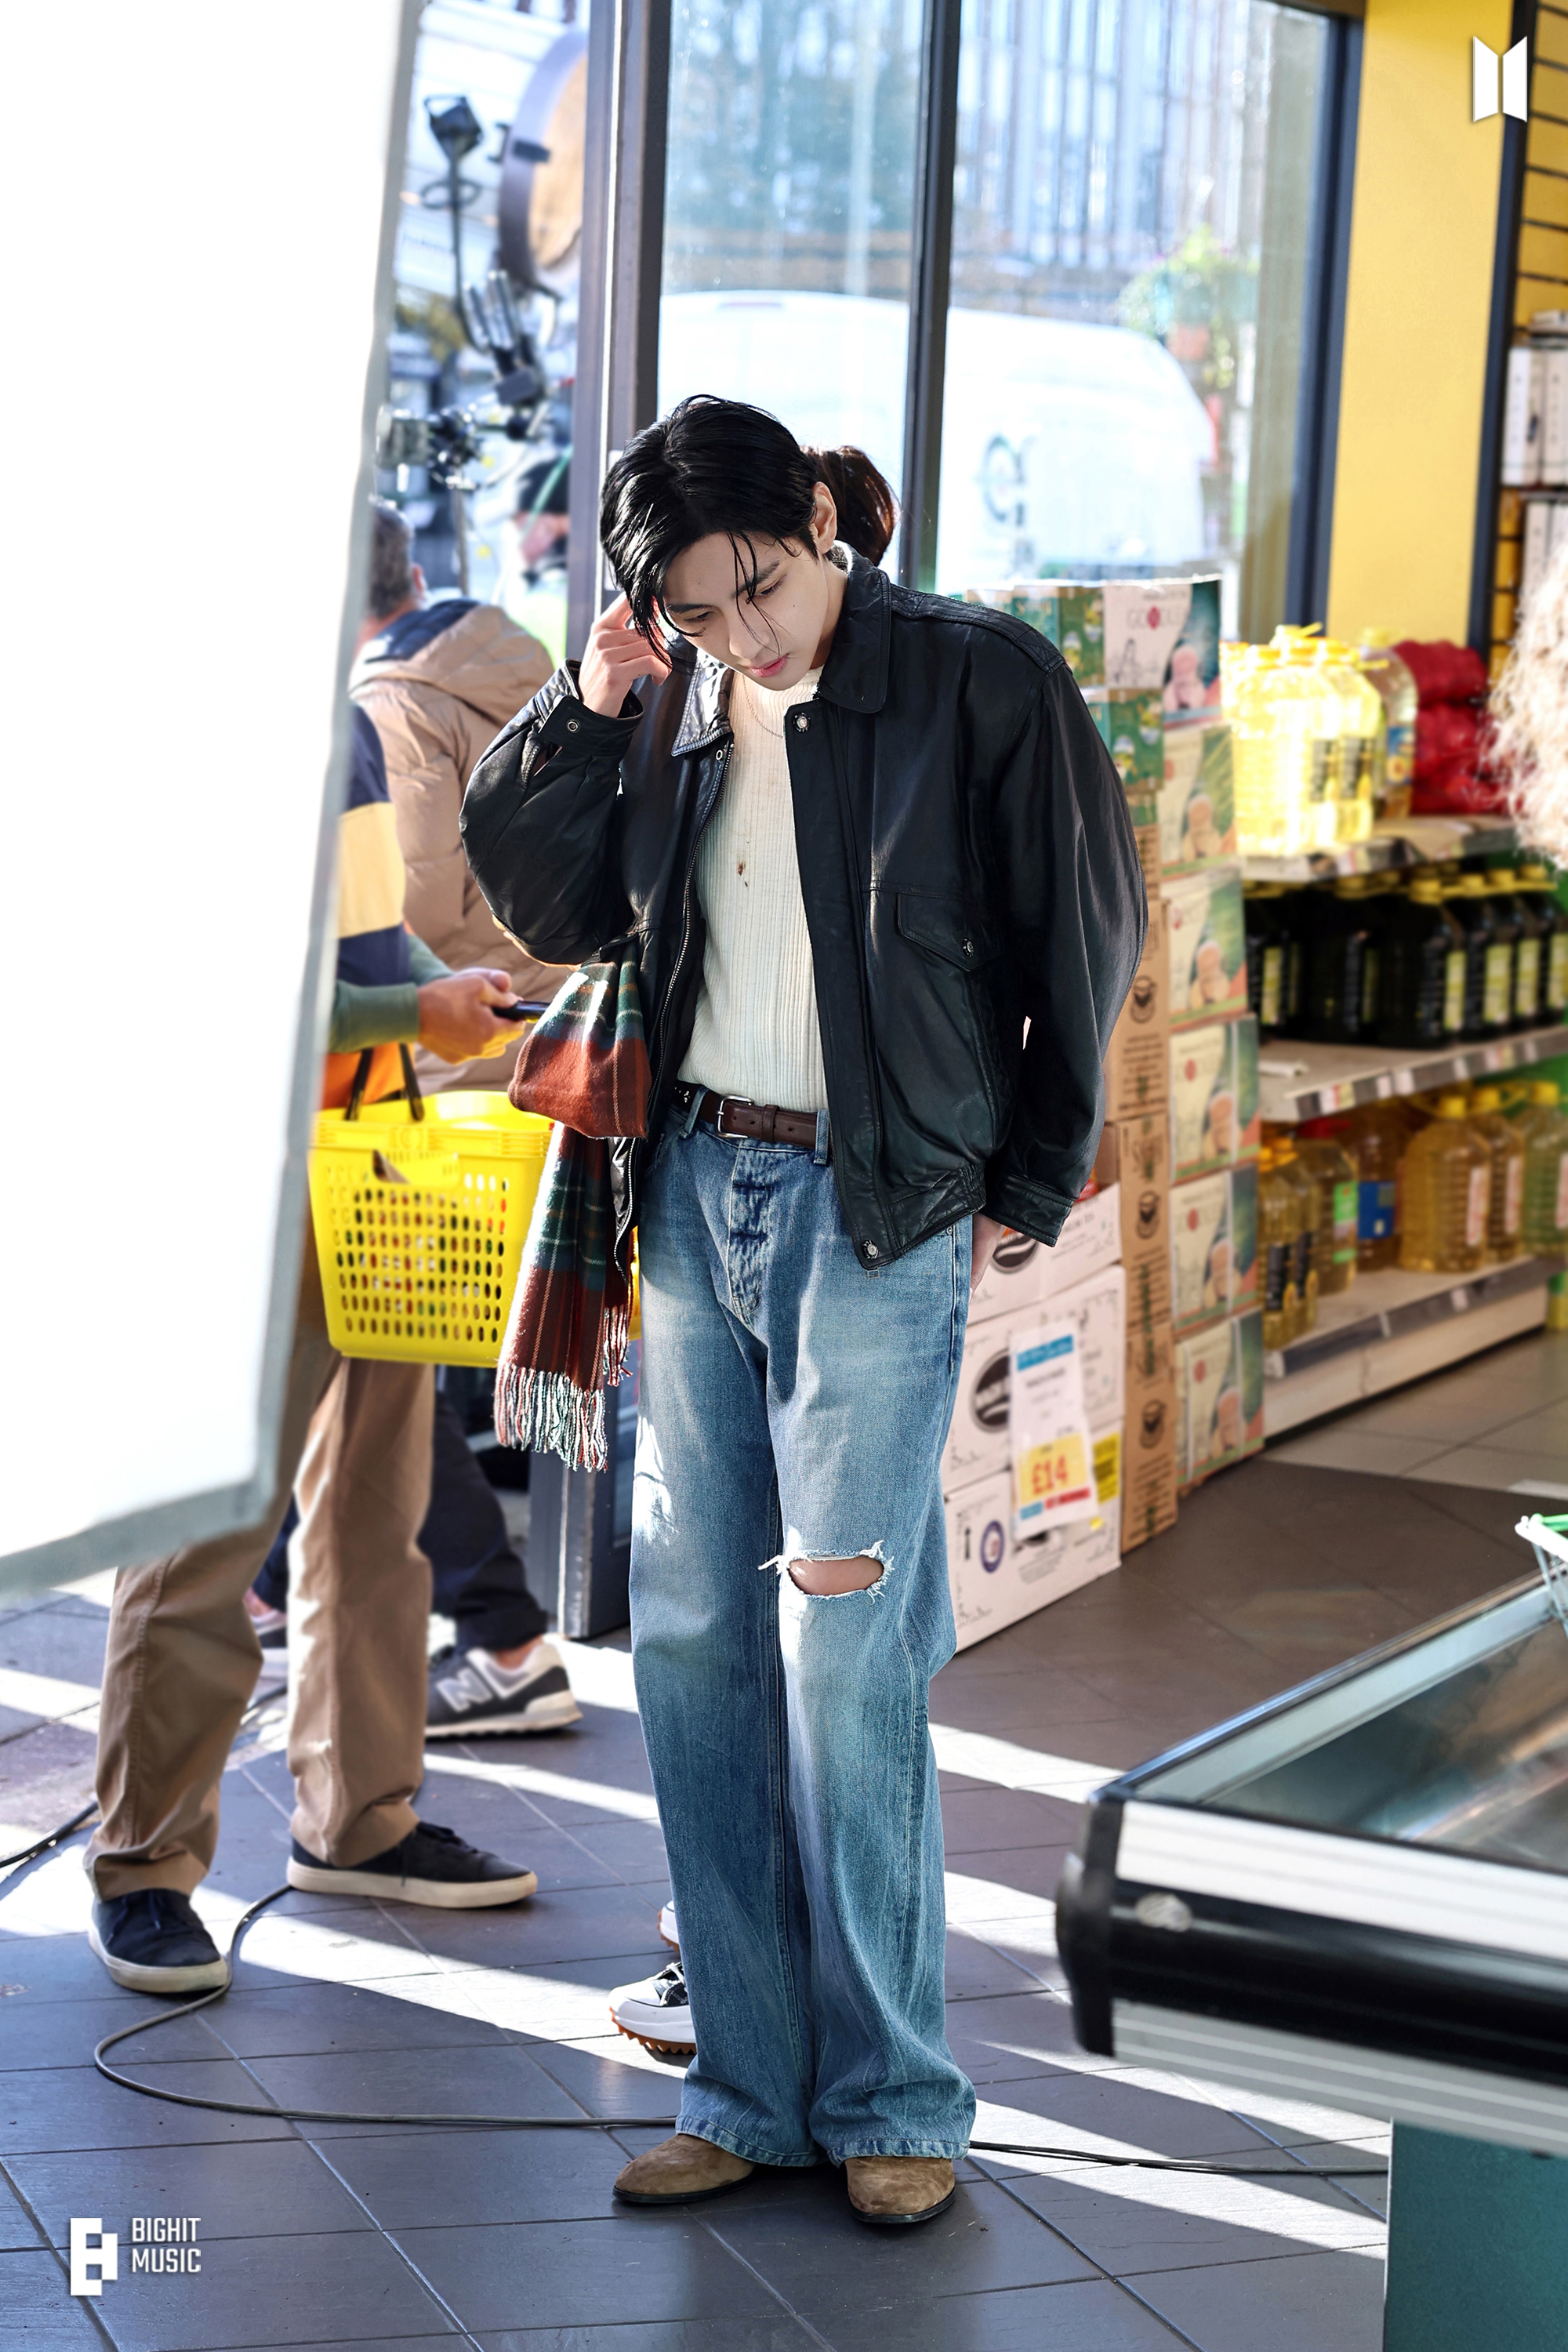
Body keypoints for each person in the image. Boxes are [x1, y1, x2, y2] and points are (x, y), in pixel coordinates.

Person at [459, 398, 1145, 2227]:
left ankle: (896, 2092)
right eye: (695, 610)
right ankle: (748, 2087)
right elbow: (548, 904)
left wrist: (1020, 1180)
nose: (745, 634)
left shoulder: (974, 677)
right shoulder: (670, 700)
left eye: (759, 585)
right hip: (691, 1189)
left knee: (844, 1644)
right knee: (690, 1634)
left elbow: (1087, 929)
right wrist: (589, 701)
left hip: (873, 1206)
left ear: (821, 521)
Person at [87, 710, 540, 1998]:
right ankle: (143, 1866)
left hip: (370, 1151)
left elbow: (363, 928)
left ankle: (361, 1818)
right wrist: (411, 1005)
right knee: (203, 1537)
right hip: (227, 1168)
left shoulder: (335, 720)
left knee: (377, 1512)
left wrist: (440, 995)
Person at [247, 499, 581, 1739]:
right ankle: (271, 1588)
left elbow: (398, 912)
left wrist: (410, 993)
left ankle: (506, 1639)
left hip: (436, 1059)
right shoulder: (511, 657)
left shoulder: (384, 706)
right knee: (368, 1360)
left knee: (377, 1352)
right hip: (531, 1026)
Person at [350, 498, 568, 1095]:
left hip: (462, 1042)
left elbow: (411, 908)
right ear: (416, 578)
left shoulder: (389, 707)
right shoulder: (509, 654)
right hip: (543, 1007)